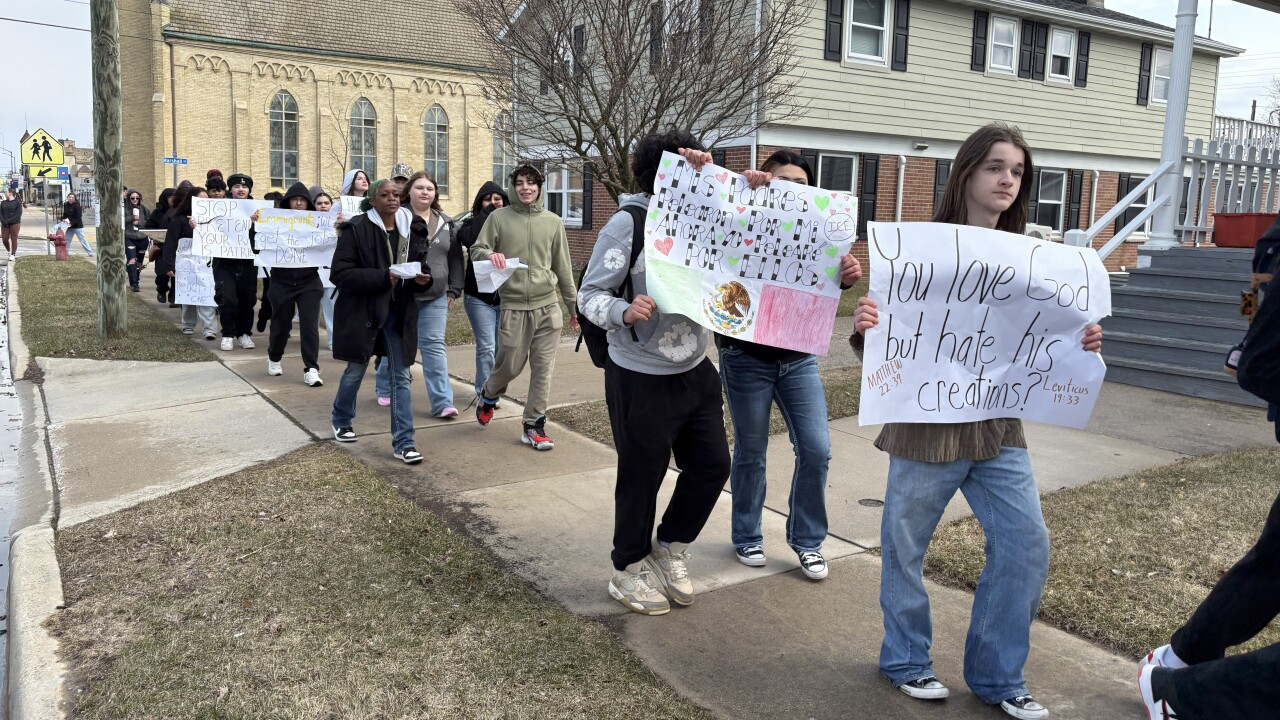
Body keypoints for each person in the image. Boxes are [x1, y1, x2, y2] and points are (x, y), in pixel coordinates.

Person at [852, 123, 1102, 720]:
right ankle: (906, 660)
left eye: (1017, 171)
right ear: (966, 172)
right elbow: (886, 349)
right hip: (924, 426)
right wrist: (868, 330)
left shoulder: (1035, 262)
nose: (1007, 180)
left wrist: (1082, 340)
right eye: (995, 167)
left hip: (997, 432)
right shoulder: (920, 249)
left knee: (1025, 543)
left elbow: (1051, 337)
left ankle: (997, 676)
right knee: (903, 549)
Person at [577, 131, 731, 616]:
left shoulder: (709, 219)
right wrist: (624, 310)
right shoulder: (629, 222)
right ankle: (628, 569)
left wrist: (750, 183)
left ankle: (669, 548)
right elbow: (589, 295)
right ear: (659, 176)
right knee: (642, 475)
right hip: (639, 372)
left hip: (694, 368)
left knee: (711, 467)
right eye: (683, 173)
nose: (694, 181)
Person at [1139, 272, 1280, 720]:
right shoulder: (1271, 245)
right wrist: (1246, 334)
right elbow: (1256, 299)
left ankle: (1184, 664)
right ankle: (1185, 693)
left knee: (1273, 563)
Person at [719, 150, 863, 580]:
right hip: (745, 356)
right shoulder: (741, 214)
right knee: (751, 451)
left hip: (798, 359)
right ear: (765, 180)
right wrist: (743, 188)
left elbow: (827, 280)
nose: (791, 190)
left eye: (801, 185)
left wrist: (847, 273)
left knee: (817, 449)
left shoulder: (823, 233)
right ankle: (746, 534)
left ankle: (808, 540)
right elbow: (711, 223)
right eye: (781, 180)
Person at [470, 164, 579, 449]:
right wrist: (490, 254)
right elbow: (477, 249)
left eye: (531, 183)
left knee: (543, 369)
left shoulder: (553, 221)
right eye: (520, 183)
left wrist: (573, 307)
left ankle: (533, 425)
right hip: (514, 306)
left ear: (540, 187)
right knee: (509, 366)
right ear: (513, 187)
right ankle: (489, 394)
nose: (526, 188)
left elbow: (563, 267)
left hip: (548, 306)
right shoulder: (498, 218)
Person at [330, 178, 431, 465]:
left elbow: (419, 266)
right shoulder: (356, 229)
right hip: (364, 312)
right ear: (372, 200)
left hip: (398, 313)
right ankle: (341, 420)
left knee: (400, 375)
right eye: (385, 194)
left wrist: (424, 279)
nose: (392, 199)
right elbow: (340, 273)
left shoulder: (411, 228)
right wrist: (381, 277)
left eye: (396, 194)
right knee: (355, 370)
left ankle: (404, 442)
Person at [397, 172, 462, 418]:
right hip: (401, 295)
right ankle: (385, 386)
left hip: (435, 295)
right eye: (420, 187)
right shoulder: (397, 217)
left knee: (434, 346)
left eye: (430, 189)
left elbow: (455, 259)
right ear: (409, 192)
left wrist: (454, 290)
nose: (425, 192)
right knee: (396, 343)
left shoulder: (446, 222)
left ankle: (443, 402)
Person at [263, 183, 325, 387]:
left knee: (310, 325)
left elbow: (331, 241)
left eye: (303, 200)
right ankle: (274, 356)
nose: (299, 203)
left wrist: (338, 226)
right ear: (287, 202)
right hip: (282, 281)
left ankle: (311, 368)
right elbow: (256, 244)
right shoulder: (273, 222)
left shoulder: (317, 222)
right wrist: (255, 225)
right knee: (281, 325)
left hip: (309, 281)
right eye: (295, 199)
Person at [456, 181, 509, 401]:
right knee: (486, 346)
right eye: (488, 199)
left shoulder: (511, 224)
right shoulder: (470, 223)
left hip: (505, 295)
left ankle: (493, 389)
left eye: (498, 199)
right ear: (480, 203)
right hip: (478, 296)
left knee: (500, 348)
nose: (493, 203)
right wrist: (488, 213)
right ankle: (484, 393)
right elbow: (470, 240)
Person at [161, 184, 217, 339]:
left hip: (207, 264)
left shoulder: (212, 219)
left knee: (207, 295)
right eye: (201, 200)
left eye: (207, 200)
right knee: (189, 296)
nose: (204, 203)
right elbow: (171, 242)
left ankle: (209, 329)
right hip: (186, 263)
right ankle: (188, 324)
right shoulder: (178, 219)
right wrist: (170, 265)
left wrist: (200, 228)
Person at [210, 173, 258, 351]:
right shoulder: (218, 207)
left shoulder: (257, 210)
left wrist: (258, 223)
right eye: (237, 186)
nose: (241, 189)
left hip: (248, 262)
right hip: (224, 261)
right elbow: (207, 225)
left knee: (248, 299)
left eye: (244, 187)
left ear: (249, 190)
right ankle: (228, 333)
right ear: (230, 189)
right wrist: (196, 224)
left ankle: (244, 333)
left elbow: (268, 233)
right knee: (227, 298)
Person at [310, 187, 341, 353]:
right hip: (313, 271)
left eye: (326, 203)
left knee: (331, 307)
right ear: (314, 206)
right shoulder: (307, 222)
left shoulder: (338, 223)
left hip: (330, 271)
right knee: (312, 309)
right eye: (319, 203)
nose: (323, 206)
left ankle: (333, 339)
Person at [146, 187, 175, 303]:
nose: (173, 199)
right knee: (162, 274)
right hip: (161, 249)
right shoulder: (157, 213)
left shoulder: (179, 211)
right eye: (170, 197)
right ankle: (162, 290)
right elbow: (149, 227)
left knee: (176, 276)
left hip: (175, 249)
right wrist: (156, 236)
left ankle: (173, 298)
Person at [123, 189, 151, 291]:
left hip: (142, 239)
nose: (135, 200)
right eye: (132, 198)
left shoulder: (144, 209)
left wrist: (139, 222)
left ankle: (136, 279)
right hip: (129, 238)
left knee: (139, 262)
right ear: (129, 198)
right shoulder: (124, 209)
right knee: (132, 260)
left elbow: (149, 222)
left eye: (137, 198)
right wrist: (132, 217)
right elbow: (120, 221)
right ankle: (133, 283)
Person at [1, 188, 23, 262]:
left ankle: (13, 254)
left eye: (6, 192)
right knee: (4, 239)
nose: (5, 193)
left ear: (10, 193)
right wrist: (3, 221)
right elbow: (0, 213)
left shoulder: (17, 203)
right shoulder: (3, 203)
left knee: (14, 239)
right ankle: (8, 251)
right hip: (4, 224)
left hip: (15, 223)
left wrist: (9, 221)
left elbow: (18, 215)